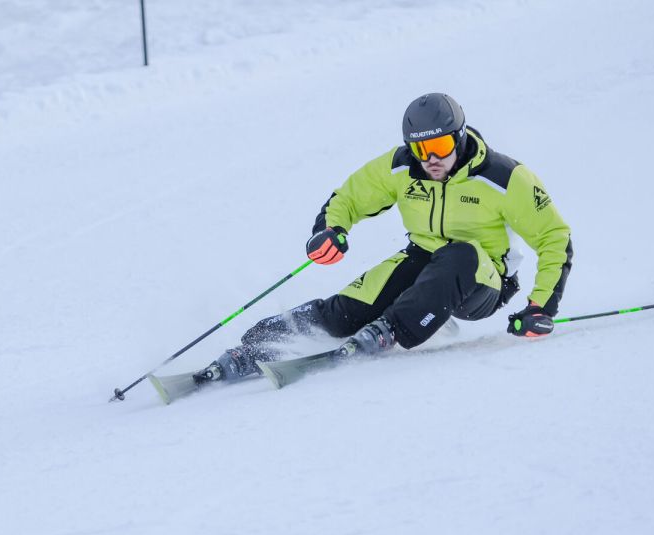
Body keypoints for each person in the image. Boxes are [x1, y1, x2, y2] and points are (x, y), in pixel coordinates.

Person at [195, 92, 573, 383]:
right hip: (423, 258)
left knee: (461, 255)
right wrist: (331, 230)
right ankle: (253, 348)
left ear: (459, 138)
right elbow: (349, 197)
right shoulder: (401, 168)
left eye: (440, 147)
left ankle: (390, 329)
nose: (431, 159)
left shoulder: (504, 177)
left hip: (483, 280)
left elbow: (554, 237)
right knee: (347, 308)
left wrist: (541, 307)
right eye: (421, 149)